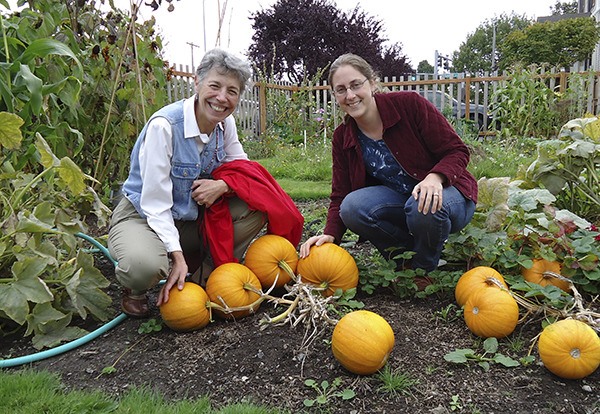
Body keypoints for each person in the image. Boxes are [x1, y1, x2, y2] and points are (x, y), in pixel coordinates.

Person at [108, 49, 301, 318]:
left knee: (256, 204)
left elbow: (244, 171)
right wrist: (176, 255)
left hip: (188, 218)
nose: (222, 98)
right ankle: (136, 288)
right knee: (144, 265)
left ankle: (208, 274)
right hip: (143, 217)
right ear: (197, 84)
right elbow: (154, 204)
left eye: (232, 91)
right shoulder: (164, 126)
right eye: (215, 85)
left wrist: (223, 185)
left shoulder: (225, 125)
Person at [299, 53, 477, 285]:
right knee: (352, 207)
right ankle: (406, 259)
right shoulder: (343, 136)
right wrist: (331, 234)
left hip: (450, 194)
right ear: (334, 95)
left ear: (372, 83)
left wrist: (435, 178)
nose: (350, 95)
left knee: (424, 204)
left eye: (355, 85)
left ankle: (423, 271)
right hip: (404, 200)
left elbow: (457, 151)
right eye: (341, 89)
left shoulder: (409, 105)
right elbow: (340, 194)